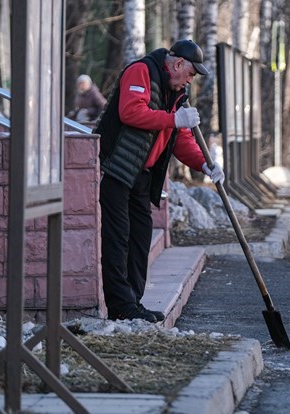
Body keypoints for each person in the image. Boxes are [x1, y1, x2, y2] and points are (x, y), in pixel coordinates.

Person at [93, 39, 224, 322]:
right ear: (177, 64)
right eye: (190, 74)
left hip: (142, 174)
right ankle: (121, 307)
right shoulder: (141, 71)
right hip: (116, 169)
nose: (190, 81)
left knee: (140, 238)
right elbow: (131, 111)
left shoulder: (176, 92)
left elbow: (182, 140)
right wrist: (173, 120)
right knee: (118, 239)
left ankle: (134, 304)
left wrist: (205, 164)